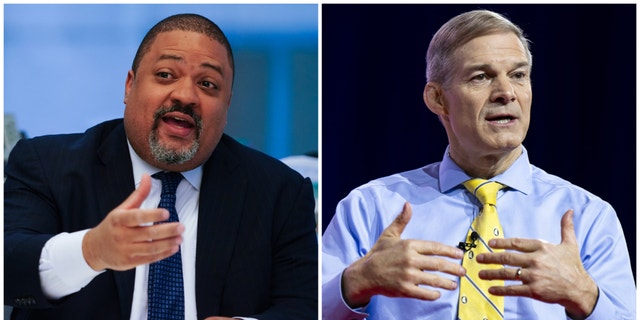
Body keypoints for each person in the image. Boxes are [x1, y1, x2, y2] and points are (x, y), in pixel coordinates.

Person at [322, 9, 635, 320]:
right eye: (481, 77)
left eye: (518, 75)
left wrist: (585, 295)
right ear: (437, 99)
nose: (506, 93)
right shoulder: (371, 208)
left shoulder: (589, 216)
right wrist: (355, 283)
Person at [4, 13, 318, 320]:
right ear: (129, 86)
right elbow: (9, 268)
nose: (185, 95)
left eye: (208, 83)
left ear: (227, 106)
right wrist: (91, 251)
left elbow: (305, 306)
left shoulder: (280, 192)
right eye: (166, 75)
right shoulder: (46, 164)